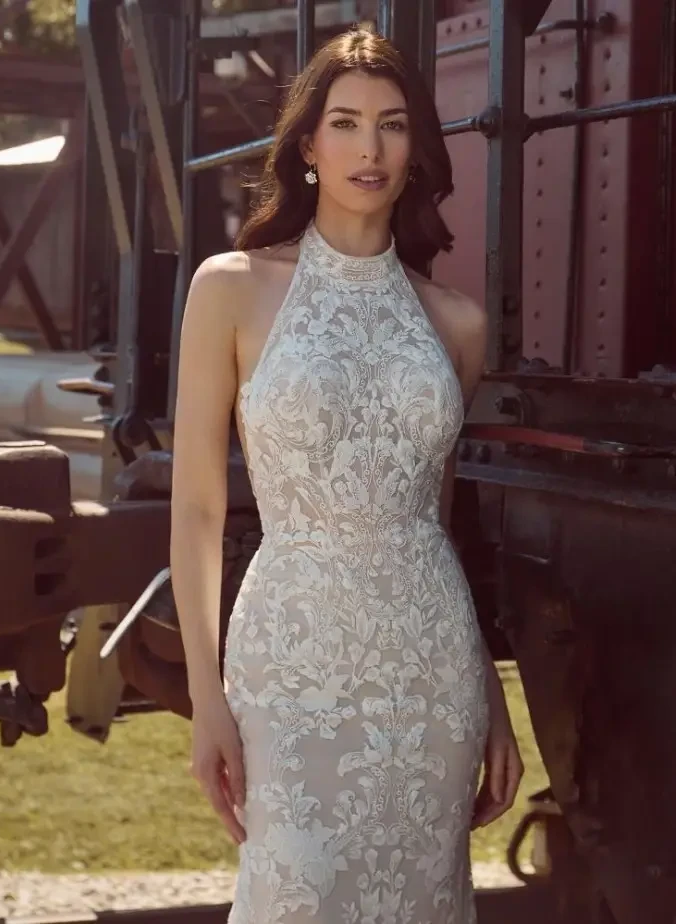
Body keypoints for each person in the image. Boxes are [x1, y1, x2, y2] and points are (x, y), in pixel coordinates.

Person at [170, 26, 524, 924]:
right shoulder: (231, 288)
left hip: (430, 667)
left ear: (416, 150)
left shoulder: (457, 323)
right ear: (308, 147)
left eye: (394, 125)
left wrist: (493, 701)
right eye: (347, 122)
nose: (370, 147)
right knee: (297, 893)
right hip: (292, 664)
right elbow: (202, 511)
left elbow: (435, 522)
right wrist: (206, 698)